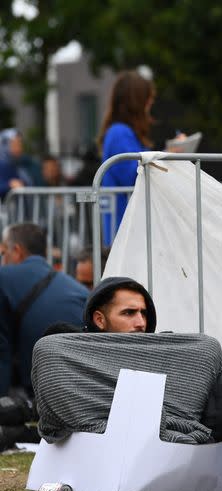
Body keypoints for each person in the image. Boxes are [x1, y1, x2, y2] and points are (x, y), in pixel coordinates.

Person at [0, 223, 88, 396]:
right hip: (78, 386)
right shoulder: (77, 289)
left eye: (4, 253)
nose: (3, 259)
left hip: (33, 388)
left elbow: (2, 350)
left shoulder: (4, 278)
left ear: (16, 251)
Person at [97, 70, 158, 244]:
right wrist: (170, 157)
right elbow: (134, 176)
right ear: (138, 102)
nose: (150, 105)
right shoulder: (119, 133)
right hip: (127, 232)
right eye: (148, 100)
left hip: (128, 230)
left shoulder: (121, 132)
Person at [82, 277, 156, 333]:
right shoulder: (76, 352)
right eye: (129, 313)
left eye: (144, 314)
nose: (141, 323)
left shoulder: (161, 350)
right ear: (100, 320)